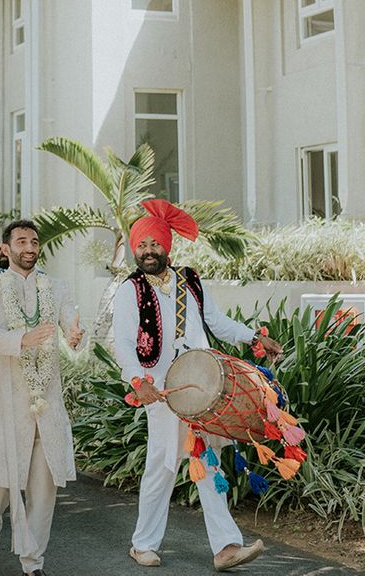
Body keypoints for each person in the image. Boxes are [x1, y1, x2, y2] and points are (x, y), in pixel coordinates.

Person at [112, 200, 283, 571]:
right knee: (162, 465)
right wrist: (137, 381)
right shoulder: (130, 290)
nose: (148, 251)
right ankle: (142, 544)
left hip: (202, 386)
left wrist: (253, 336)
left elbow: (217, 321)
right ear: (134, 248)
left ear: (167, 246)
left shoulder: (189, 280)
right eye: (141, 245)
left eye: (154, 244)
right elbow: (123, 342)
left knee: (208, 463)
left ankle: (226, 547)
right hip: (160, 390)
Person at [0, 219, 85, 576]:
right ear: (6, 249)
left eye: (35, 241)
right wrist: (20, 340)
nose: (30, 247)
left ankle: (32, 564)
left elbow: (71, 323)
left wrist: (74, 334)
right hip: (5, 404)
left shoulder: (56, 287)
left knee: (44, 489)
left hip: (47, 404)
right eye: (21, 240)